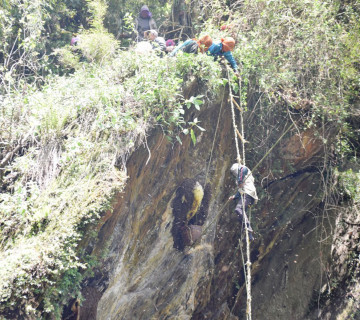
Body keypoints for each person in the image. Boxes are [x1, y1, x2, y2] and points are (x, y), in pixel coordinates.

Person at [228, 163, 258, 241]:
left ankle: (248, 226)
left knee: (238, 209)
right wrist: (235, 196)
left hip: (248, 194)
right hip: (249, 195)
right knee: (240, 216)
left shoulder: (242, 169)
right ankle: (249, 235)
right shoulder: (243, 177)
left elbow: (242, 169)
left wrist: (240, 181)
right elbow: (241, 189)